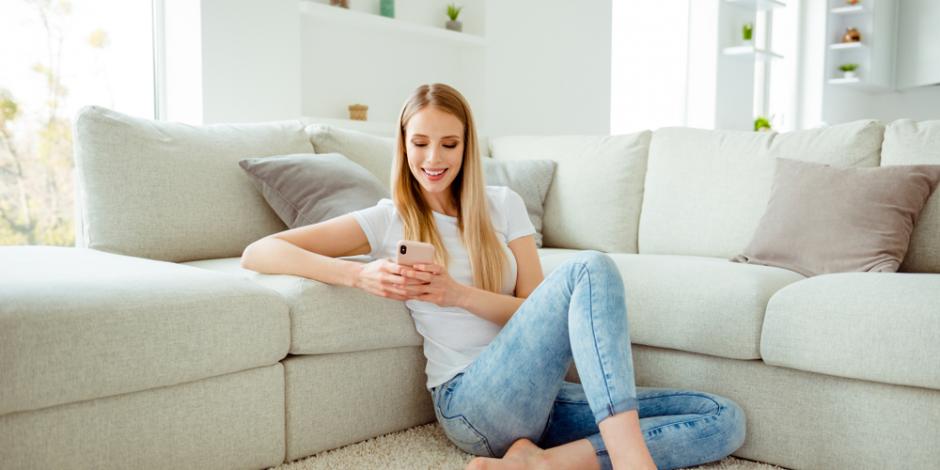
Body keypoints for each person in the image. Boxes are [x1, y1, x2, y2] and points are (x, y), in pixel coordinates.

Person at [240, 83, 746, 470]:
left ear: (467, 147)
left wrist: (458, 294)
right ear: (403, 144)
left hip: (540, 399)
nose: (433, 159)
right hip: (471, 404)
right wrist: (359, 276)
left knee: (722, 417)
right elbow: (259, 252)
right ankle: (632, 462)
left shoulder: (503, 206)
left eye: (448, 144)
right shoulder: (388, 217)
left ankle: (545, 463)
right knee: (590, 266)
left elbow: (535, 309)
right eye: (420, 143)